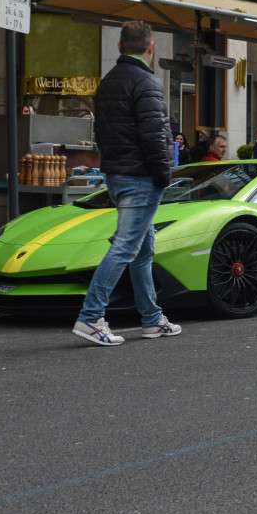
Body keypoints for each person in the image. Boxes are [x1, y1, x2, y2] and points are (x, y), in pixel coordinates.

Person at [73, 20, 181, 346]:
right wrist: (164, 176)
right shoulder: (147, 82)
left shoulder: (108, 83)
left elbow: (102, 134)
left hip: (118, 175)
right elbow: (155, 136)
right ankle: (91, 316)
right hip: (142, 177)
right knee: (126, 247)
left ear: (119, 47)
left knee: (143, 249)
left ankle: (151, 319)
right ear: (151, 48)